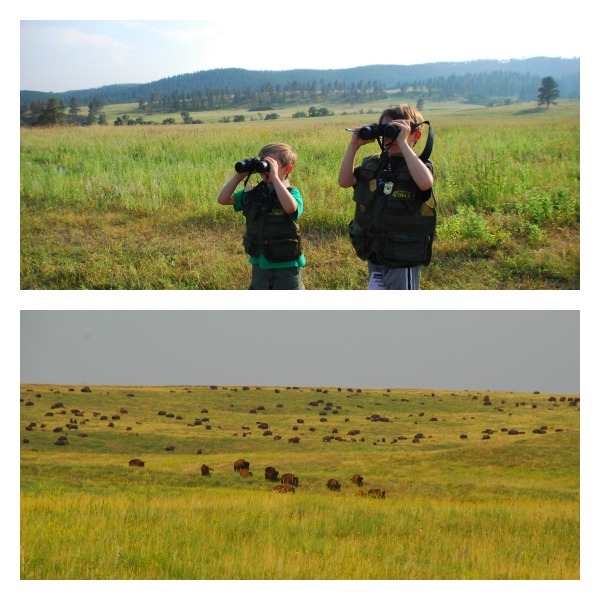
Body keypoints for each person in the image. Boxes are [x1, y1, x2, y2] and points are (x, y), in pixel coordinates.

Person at [338, 104, 435, 290]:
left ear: (416, 135)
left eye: (396, 130)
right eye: (386, 130)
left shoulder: (419, 165)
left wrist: (404, 144)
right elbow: (344, 181)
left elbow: (424, 183)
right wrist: (354, 145)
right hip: (375, 249)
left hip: (403, 255)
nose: (390, 136)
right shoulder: (374, 164)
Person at [217, 142, 306, 290]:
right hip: (260, 262)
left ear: (287, 169)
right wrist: (239, 176)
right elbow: (223, 199)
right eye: (263, 164)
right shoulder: (254, 194)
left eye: (271, 165)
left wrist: (276, 179)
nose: (266, 170)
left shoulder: (292, 193)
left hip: (287, 265)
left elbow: (290, 208)